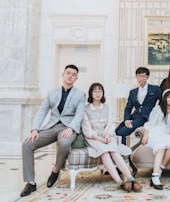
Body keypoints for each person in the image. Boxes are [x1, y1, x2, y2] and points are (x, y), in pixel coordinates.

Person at [20, 64, 86, 197]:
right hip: (52, 126)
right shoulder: (51, 93)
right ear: (63, 74)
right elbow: (42, 111)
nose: (70, 76)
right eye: (68, 73)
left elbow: (79, 114)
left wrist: (71, 128)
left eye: (73, 75)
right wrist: (35, 129)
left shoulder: (80, 94)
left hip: (68, 127)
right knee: (27, 144)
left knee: (64, 143)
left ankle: (56, 170)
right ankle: (30, 182)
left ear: (76, 78)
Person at [82, 83, 142, 192]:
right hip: (94, 139)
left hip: (108, 136)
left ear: (103, 93)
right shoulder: (86, 109)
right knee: (104, 152)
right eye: (95, 91)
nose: (97, 93)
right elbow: (87, 129)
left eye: (100, 91)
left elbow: (110, 124)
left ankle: (131, 179)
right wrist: (100, 139)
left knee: (114, 151)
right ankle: (120, 182)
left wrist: (108, 135)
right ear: (91, 93)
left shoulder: (107, 107)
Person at [141, 89, 170, 190]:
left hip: (166, 134)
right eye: (168, 97)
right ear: (164, 99)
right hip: (155, 132)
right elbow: (150, 123)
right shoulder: (157, 109)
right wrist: (145, 135)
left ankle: (159, 171)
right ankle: (155, 176)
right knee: (161, 148)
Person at [115, 67, 162, 145]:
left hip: (145, 117)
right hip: (135, 116)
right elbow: (128, 108)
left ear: (147, 77)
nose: (141, 78)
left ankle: (124, 154)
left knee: (122, 132)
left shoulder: (155, 89)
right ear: (136, 77)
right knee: (116, 132)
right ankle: (121, 152)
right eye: (139, 76)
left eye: (143, 76)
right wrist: (126, 120)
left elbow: (164, 100)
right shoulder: (133, 92)